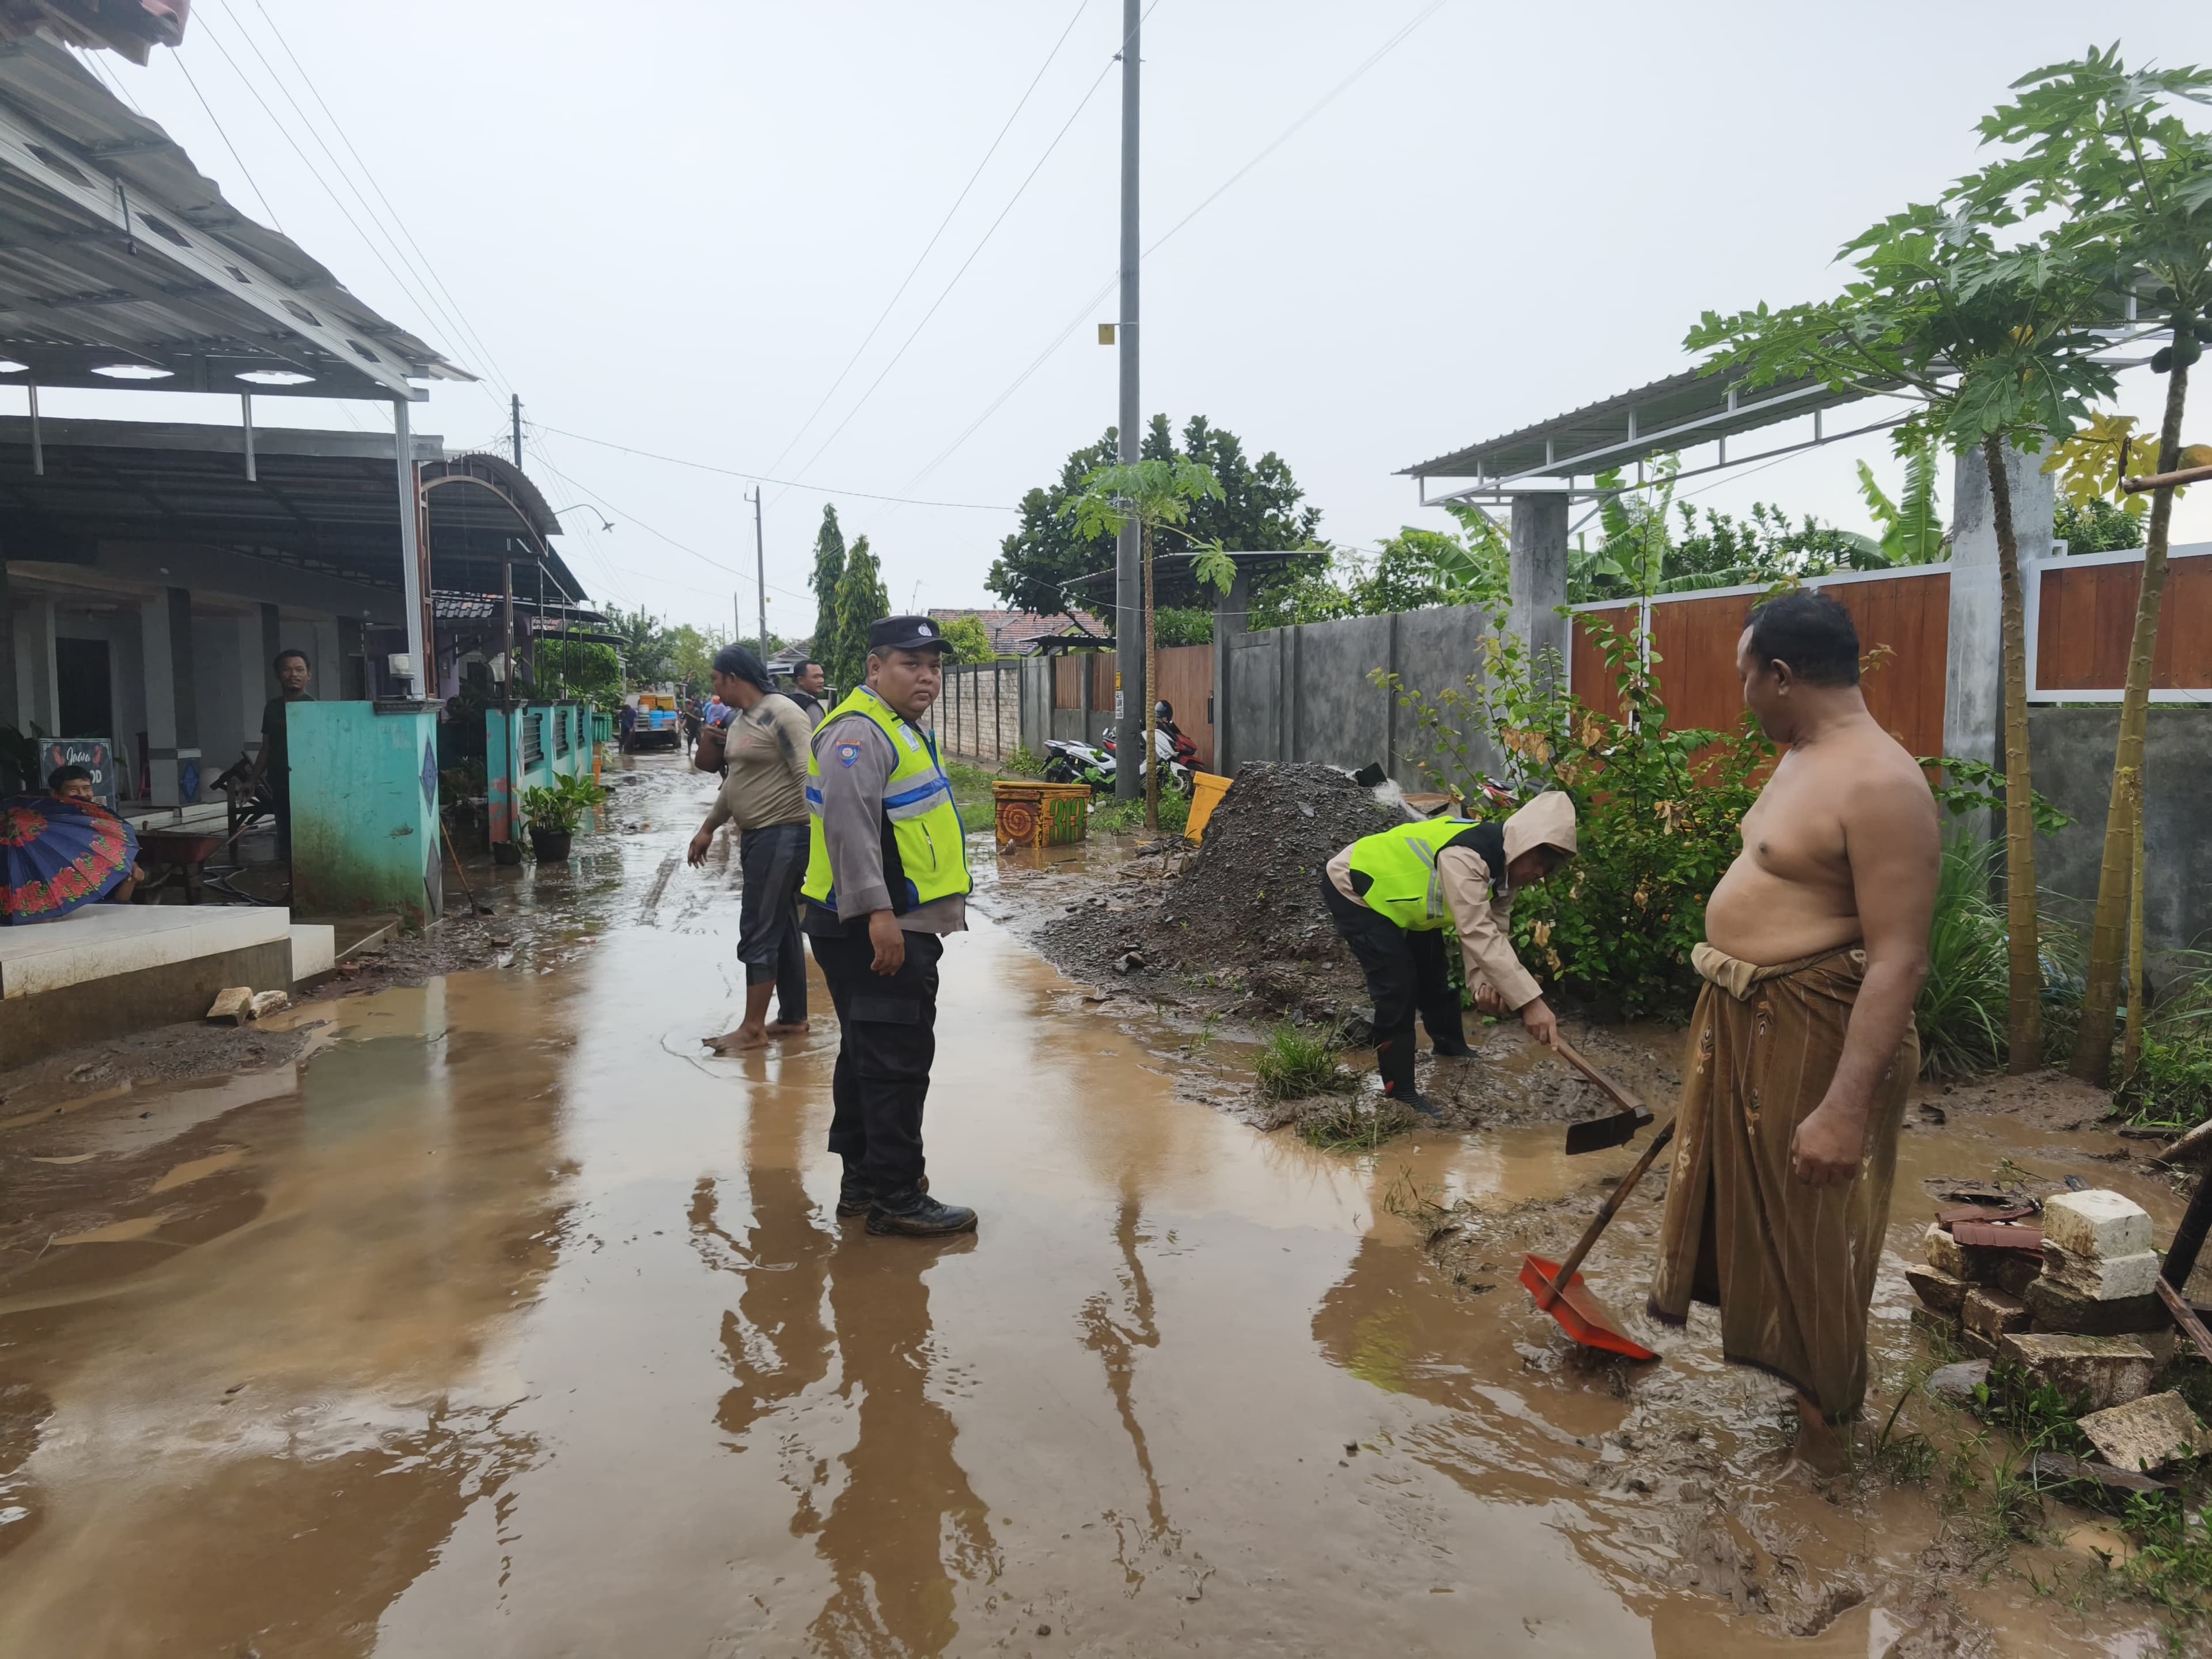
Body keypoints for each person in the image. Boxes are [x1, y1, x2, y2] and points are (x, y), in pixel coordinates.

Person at [1646, 589, 1937, 1474]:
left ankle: (1828, 1457)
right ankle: (1803, 1418)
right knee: (1757, 1221)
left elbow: (1898, 961)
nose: (1741, 695)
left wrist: (1844, 1109)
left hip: (1817, 1025)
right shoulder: (1805, 752)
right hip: (1752, 1017)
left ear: (1780, 674)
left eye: (1744, 676)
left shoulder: (1881, 782)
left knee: (1811, 1234)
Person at [800, 615, 975, 1238]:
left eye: (934, 665)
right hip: (873, 925)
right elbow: (849, 831)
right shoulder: (859, 732)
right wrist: (879, 916)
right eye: (911, 664)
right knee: (896, 1060)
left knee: (868, 1054)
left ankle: (865, 1181)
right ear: (876, 668)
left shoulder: (897, 726)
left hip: (884, 920)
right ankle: (897, 1198)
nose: (927, 676)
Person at [1322, 793, 1577, 1115]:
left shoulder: (1505, 876)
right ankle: (1399, 1091)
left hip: (1407, 904)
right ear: (1522, 842)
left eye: (1550, 867)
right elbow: (1476, 931)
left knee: (1433, 972)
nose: (1541, 872)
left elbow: (1493, 931)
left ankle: (1451, 1046)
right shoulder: (1468, 855)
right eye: (1539, 861)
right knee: (1397, 985)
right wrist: (1530, 1004)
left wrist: (1483, 983)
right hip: (1356, 886)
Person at [689, 644, 815, 1051]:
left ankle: (753, 1029)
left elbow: (810, 777)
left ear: (733, 678)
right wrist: (708, 828)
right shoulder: (743, 720)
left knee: (758, 926)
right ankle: (793, 1018)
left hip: (784, 835)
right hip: (759, 836)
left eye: (714, 680)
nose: (713, 688)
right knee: (781, 926)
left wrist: (824, 844)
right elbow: (735, 783)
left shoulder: (783, 714)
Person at [246, 649, 315, 874]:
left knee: (308, 837)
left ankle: (310, 885)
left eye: (299, 670)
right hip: (280, 783)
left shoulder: (314, 708)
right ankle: (291, 890)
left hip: (308, 786)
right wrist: (252, 780)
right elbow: (266, 748)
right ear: (278, 675)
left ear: (308, 676)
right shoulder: (272, 708)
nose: (293, 674)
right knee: (285, 837)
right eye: (287, 670)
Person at [48, 765, 143, 901]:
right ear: (55, 794)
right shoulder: (48, 826)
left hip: (106, 900)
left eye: (86, 789)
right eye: (73, 790)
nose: (82, 794)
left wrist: (133, 872)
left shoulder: (103, 822)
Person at [787, 658, 828, 729]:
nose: (822, 681)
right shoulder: (810, 706)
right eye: (816, 677)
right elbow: (819, 736)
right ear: (801, 680)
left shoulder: (788, 701)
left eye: (822, 676)